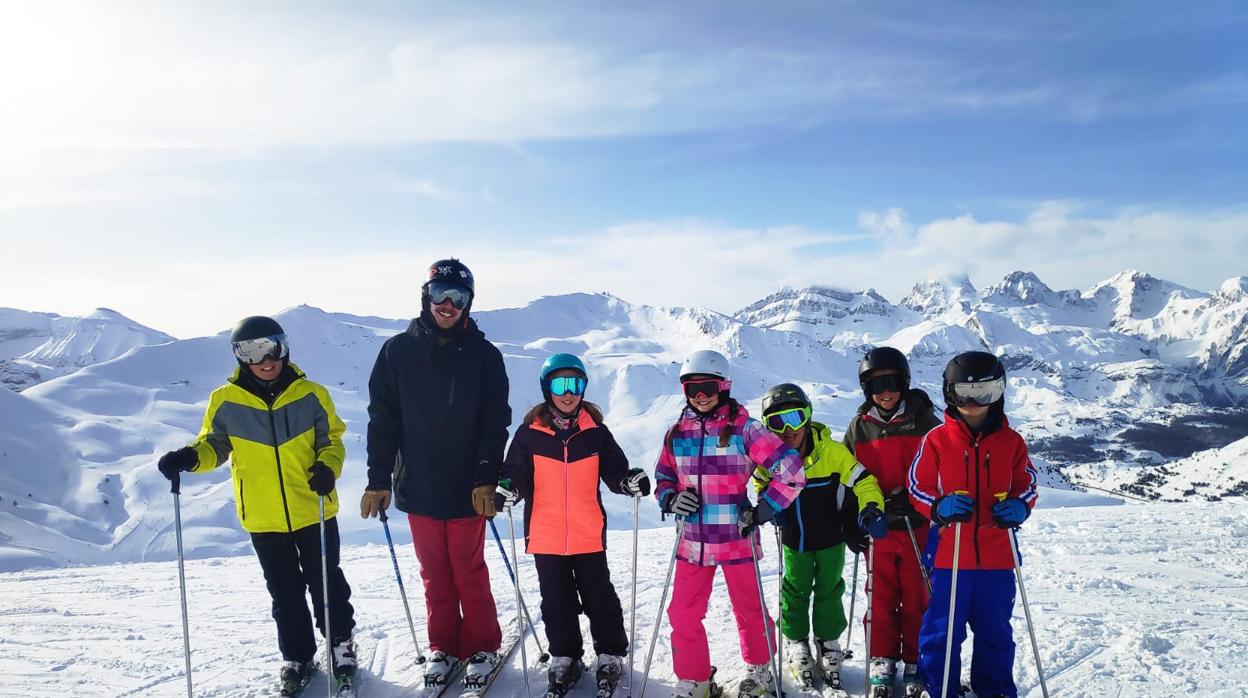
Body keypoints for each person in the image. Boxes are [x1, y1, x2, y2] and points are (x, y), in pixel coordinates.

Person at [157, 315, 356, 695]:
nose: (264, 360)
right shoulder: (226, 401)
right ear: (239, 357)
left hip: (312, 506)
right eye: (250, 351)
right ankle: (298, 656)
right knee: (284, 592)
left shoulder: (310, 393)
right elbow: (213, 446)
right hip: (263, 516)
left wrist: (328, 468)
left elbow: (332, 439)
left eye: (271, 348)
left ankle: (341, 644)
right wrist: (188, 458)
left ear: (284, 348)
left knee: (327, 583)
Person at [358, 258, 512, 689]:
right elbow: (383, 420)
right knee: (434, 572)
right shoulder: (397, 351)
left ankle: (481, 644)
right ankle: (443, 646)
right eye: (440, 294)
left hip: (468, 488)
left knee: (468, 569)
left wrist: (486, 477)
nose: (448, 304)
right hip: (419, 484)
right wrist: (377, 478)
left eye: (458, 297)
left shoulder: (484, 356)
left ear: (468, 303)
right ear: (425, 296)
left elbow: (494, 420)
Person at [653, 350, 807, 698]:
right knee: (682, 614)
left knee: (750, 610)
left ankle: (760, 670)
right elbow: (664, 476)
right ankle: (697, 680)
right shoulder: (676, 434)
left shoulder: (745, 429)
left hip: (737, 538)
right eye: (692, 388)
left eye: (707, 386)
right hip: (692, 540)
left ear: (723, 386)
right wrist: (671, 498)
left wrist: (765, 509)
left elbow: (792, 472)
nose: (700, 395)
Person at [495, 353, 651, 696]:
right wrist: (508, 491)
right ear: (546, 387)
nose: (569, 393)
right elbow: (515, 474)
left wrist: (628, 481)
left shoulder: (595, 433)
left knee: (599, 596)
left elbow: (614, 470)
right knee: (556, 601)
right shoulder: (529, 434)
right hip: (545, 534)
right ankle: (565, 656)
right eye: (561, 384)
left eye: (576, 384)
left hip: (587, 532)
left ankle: (610, 653)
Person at [907, 351, 1039, 698]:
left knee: (995, 630)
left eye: (984, 393)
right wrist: (938, 508)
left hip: (997, 557)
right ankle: (939, 688)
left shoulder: (1012, 442)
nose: (973, 402)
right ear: (949, 394)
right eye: (963, 393)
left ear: (999, 392)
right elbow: (916, 487)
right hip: (951, 556)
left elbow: (1027, 484)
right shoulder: (936, 440)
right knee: (942, 631)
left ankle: (992, 689)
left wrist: (1019, 507)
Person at [759, 383, 886, 694]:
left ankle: (828, 639)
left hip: (831, 537)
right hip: (794, 540)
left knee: (829, 587)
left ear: (808, 417)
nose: (788, 429)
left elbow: (864, 480)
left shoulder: (831, 452)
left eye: (794, 417)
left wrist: (871, 506)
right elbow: (760, 483)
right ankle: (796, 639)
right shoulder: (772, 458)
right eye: (777, 422)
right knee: (795, 589)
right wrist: (766, 503)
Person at [843, 347, 942, 697]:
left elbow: (940, 472)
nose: (884, 392)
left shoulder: (926, 424)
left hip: (918, 526)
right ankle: (882, 658)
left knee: (917, 596)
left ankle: (915, 659)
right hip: (879, 529)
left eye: (891, 383)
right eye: (875, 385)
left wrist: (915, 498)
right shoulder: (860, 428)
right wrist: (851, 522)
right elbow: (849, 476)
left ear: (905, 383)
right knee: (881, 596)